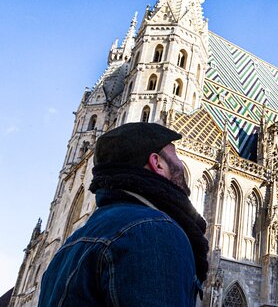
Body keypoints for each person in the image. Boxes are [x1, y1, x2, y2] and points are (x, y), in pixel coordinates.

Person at [39, 122, 209, 306]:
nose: (181, 166)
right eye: (175, 156)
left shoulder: (68, 247)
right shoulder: (154, 232)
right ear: (156, 163)